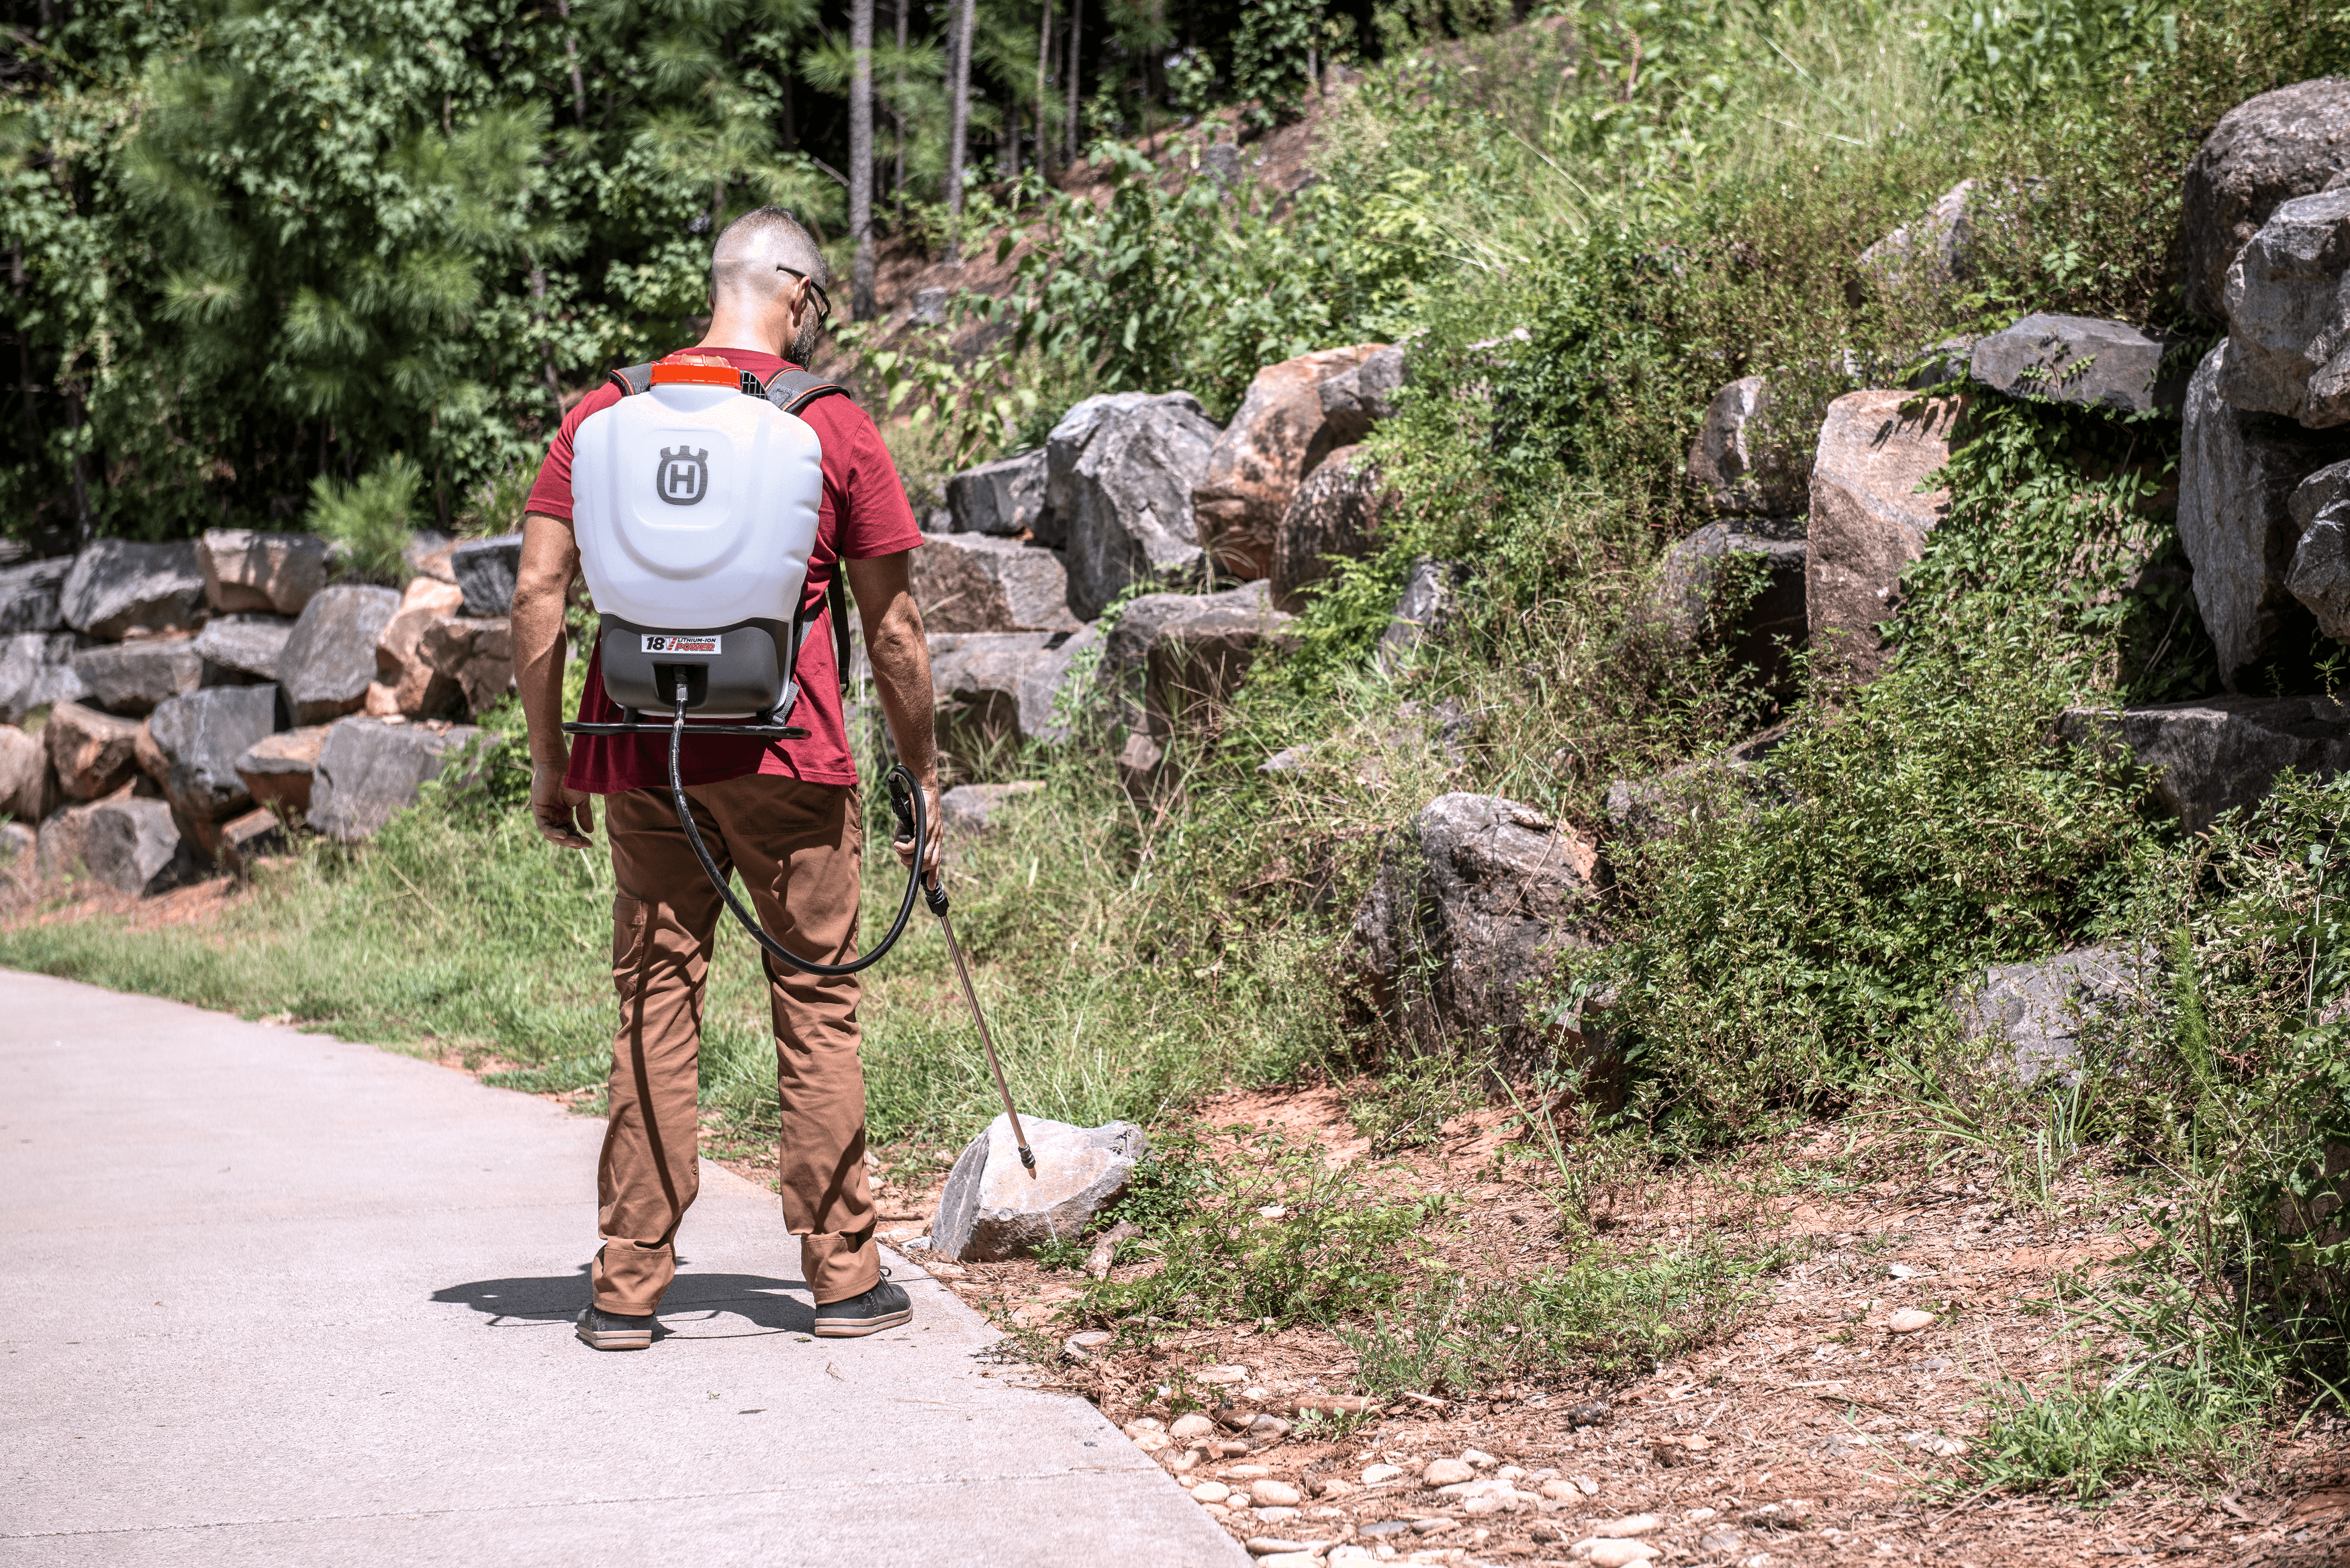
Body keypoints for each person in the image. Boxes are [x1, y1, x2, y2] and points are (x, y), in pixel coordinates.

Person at [511, 206, 941, 1351]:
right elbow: (893, 630)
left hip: (641, 755)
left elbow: (537, 597)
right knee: (816, 999)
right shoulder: (832, 425)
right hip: (790, 755)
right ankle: (844, 1278)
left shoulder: (601, 415)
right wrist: (923, 775)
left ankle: (628, 1284)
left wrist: (555, 760)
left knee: (654, 1000)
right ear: (797, 294)